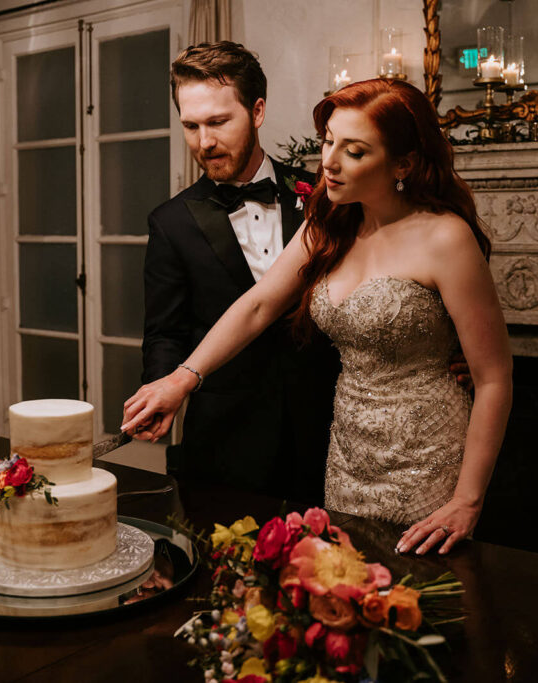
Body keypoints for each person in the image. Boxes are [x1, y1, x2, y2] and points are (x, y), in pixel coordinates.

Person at [124, 78, 511, 555]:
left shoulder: (445, 238)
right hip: (346, 450)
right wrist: (181, 380)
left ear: (403, 164)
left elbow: (494, 377)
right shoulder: (329, 219)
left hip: (425, 454)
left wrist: (467, 502)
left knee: (420, 598)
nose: (328, 161)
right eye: (328, 140)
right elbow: (259, 304)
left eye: (353, 151)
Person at [138, 41, 339, 504]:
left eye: (218, 122)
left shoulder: (321, 196)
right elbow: (165, 331)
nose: (204, 142)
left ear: (258, 110)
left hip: (324, 423)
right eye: (190, 126)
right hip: (227, 435)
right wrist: (160, 388)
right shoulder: (170, 223)